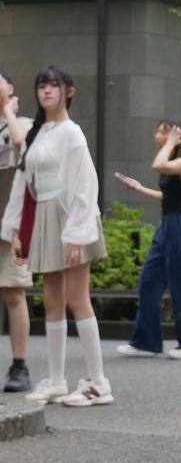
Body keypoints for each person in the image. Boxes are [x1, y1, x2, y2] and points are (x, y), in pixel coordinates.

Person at [3, 67, 112, 406]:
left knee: (77, 299)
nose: (47, 91)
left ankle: (98, 383)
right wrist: (17, 230)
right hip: (45, 217)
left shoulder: (71, 133)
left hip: (70, 216)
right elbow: (24, 182)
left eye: (54, 85)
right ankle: (56, 380)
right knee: (51, 301)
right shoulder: (39, 132)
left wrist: (78, 234)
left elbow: (85, 184)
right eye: (42, 85)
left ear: (69, 91)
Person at [116, 122, 181, 360]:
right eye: (158, 132)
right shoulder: (172, 164)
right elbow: (168, 197)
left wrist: (170, 143)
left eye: (163, 132)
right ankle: (146, 341)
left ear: (177, 138)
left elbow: (158, 164)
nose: (157, 136)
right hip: (168, 224)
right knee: (148, 279)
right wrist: (140, 189)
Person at [0, 71, 34, 392]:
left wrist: (7, 109)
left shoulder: (23, 121)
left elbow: (20, 143)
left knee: (13, 292)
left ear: (10, 88)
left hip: (9, 225)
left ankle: (19, 367)